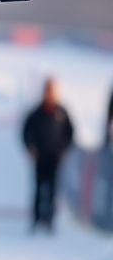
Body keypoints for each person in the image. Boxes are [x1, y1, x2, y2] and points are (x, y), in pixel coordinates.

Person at [21, 77, 75, 233]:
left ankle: (49, 219)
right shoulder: (37, 112)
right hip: (40, 158)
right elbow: (25, 132)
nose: (50, 94)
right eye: (48, 90)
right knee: (38, 189)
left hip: (55, 158)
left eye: (53, 91)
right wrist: (30, 147)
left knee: (53, 190)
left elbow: (71, 133)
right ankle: (36, 219)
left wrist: (64, 149)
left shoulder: (62, 112)